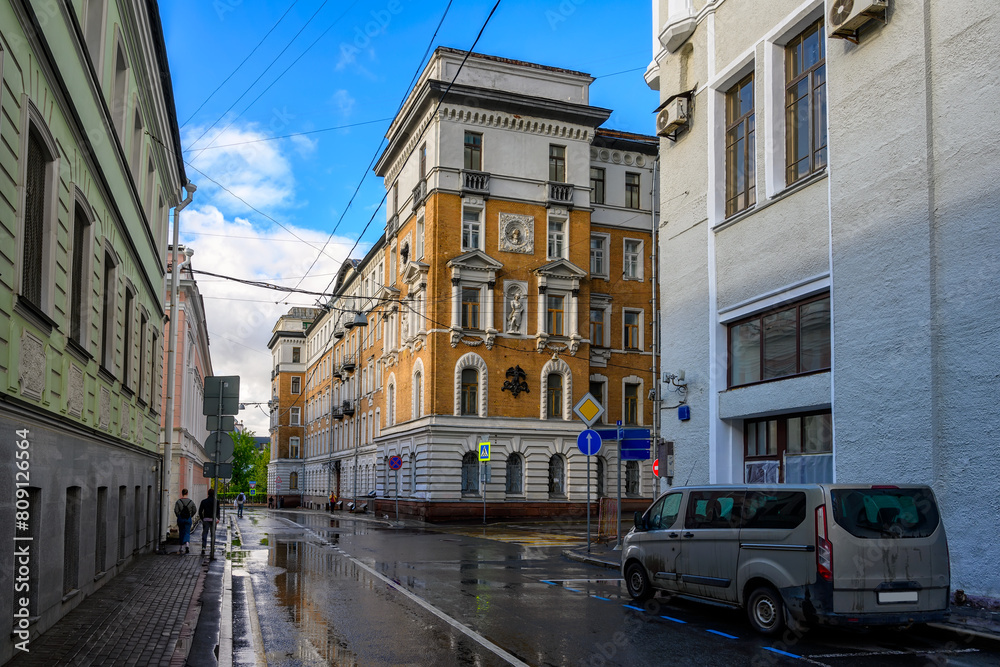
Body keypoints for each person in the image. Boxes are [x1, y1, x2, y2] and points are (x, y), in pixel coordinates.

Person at [174, 489, 197, 554]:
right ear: (187, 493)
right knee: (187, 532)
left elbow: (176, 510)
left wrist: (179, 516)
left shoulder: (178, 502)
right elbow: (194, 510)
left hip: (181, 519)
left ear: (182, 493)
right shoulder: (191, 502)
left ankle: (181, 546)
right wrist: (190, 515)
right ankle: (187, 544)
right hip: (188, 518)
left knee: (181, 532)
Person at [198, 488, 221, 556]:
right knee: (213, 534)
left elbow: (200, 511)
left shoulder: (204, 501)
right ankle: (212, 548)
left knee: (204, 534)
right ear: (214, 494)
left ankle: (203, 547)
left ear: (208, 494)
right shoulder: (216, 501)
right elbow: (218, 511)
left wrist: (202, 519)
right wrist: (218, 518)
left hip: (206, 520)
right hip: (213, 520)